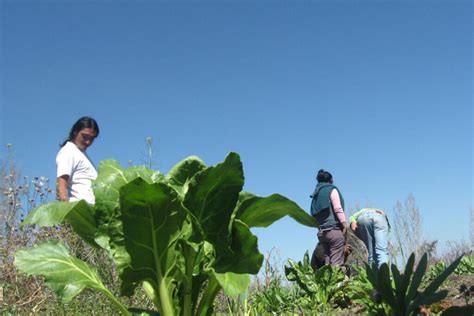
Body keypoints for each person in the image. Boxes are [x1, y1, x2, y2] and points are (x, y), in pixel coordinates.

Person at [56, 116, 99, 205]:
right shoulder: (68, 151)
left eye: (92, 138)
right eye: (84, 136)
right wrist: (67, 213)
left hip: (91, 210)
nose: (88, 142)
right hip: (80, 211)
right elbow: (61, 185)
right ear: (75, 132)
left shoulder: (81, 154)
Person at [310, 169, 348, 266]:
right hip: (333, 231)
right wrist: (344, 224)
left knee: (328, 261)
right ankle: (335, 281)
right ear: (331, 180)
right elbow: (338, 208)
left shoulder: (316, 194)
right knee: (336, 263)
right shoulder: (331, 189)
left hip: (322, 234)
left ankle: (326, 281)